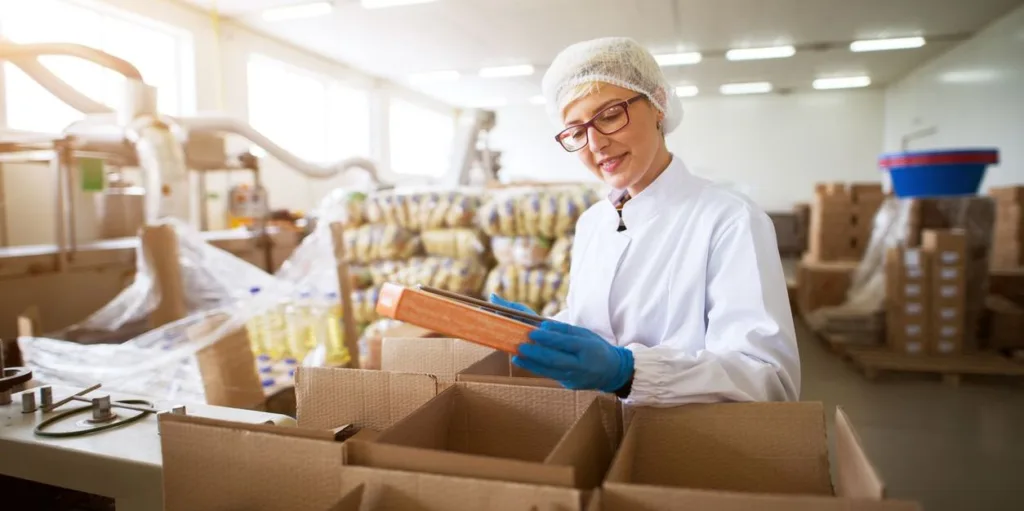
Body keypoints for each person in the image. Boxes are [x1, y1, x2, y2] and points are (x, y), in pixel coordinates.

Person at [490, 37, 800, 406]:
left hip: (689, 448)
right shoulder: (593, 223)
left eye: (608, 115)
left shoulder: (730, 220)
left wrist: (630, 371)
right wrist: (550, 331)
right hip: (598, 436)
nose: (595, 144)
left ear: (658, 104)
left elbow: (768, 380)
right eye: (576, 131)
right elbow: (601, 324)